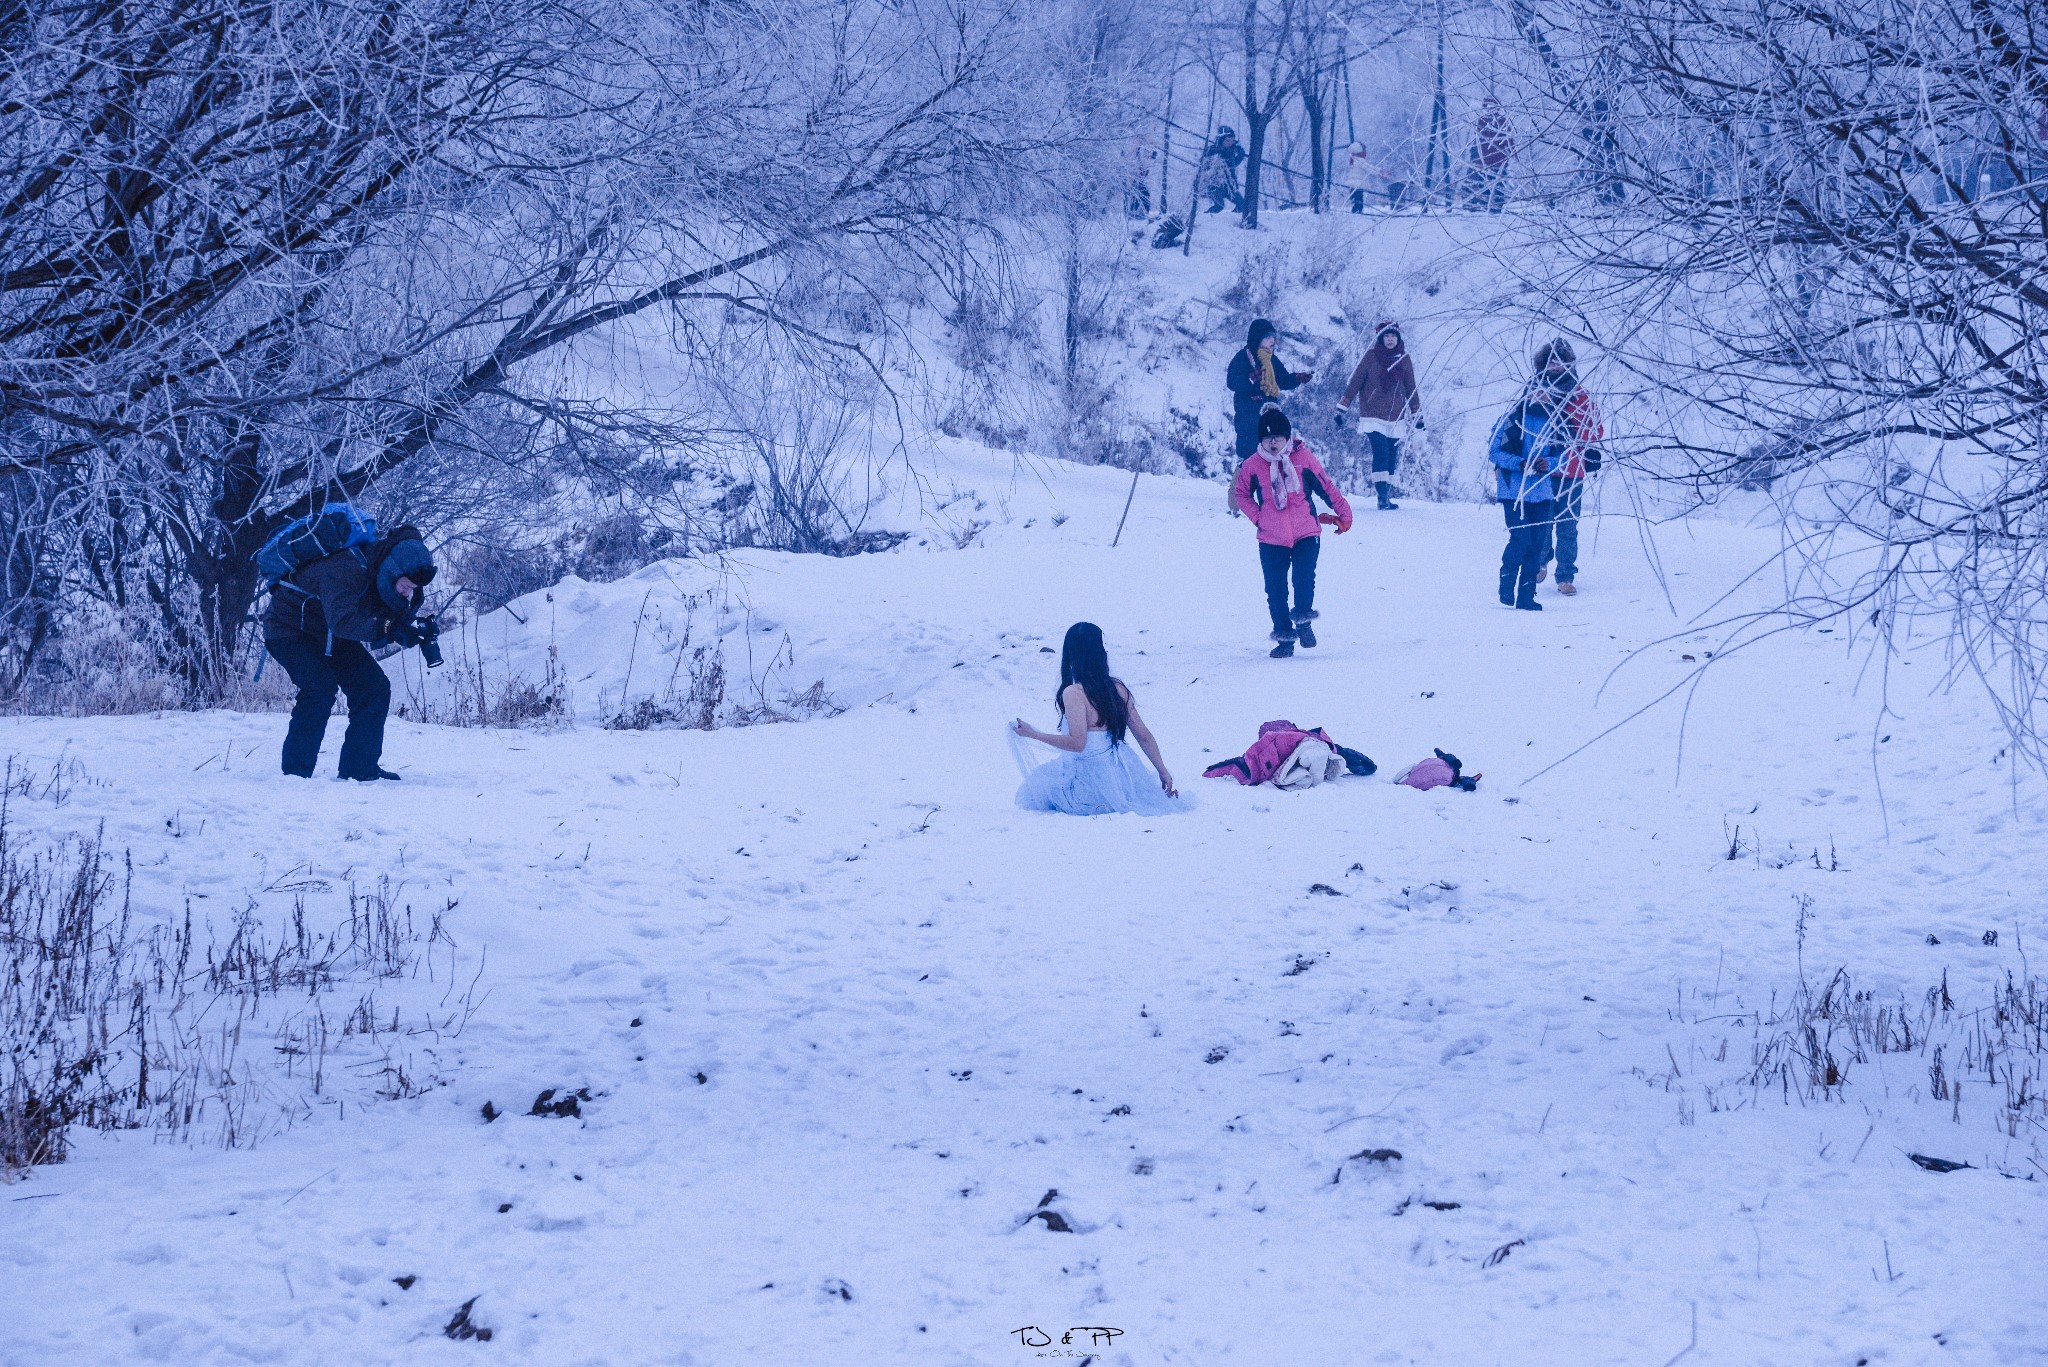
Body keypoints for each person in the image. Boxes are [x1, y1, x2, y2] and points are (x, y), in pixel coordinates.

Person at [263, 525, 438, 780]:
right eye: (405, 586)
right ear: (393, 571)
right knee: (319, 688)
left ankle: (359, 770)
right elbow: (344, 621)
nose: (407, 593)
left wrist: (408, 630)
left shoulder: (381, 575)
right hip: (288, 628)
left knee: (374, 688)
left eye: (411, 589)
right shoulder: (346, 567)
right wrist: (388, 628)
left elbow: (379, 621)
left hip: (328, 635)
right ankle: (295, 775)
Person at [1011, 623, 1188, 816]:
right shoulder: (1117, 688)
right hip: (1119, 782)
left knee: (1036, 787)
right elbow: (1143, 735)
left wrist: (1033, 734)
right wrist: (1162, 770)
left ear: (1071, 654)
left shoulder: (1074, 693)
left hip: (1088, 788)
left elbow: (1078, 743)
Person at [1232, 407, 1353, 657]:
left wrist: (1344, 513)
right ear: (1260, 440)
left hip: (1306, 532)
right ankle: (1285, 638)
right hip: (1271, 538)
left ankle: (1303, 619)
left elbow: (1326, 487)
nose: (1273, 441)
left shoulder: (1304, 458)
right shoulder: (1252, 466)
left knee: (1304, 577)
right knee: (1275, 589)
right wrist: (1258, 517)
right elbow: (1241, 494)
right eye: (1267, 437)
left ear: (1287, 437)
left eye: (1278, 436)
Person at [1487, 354, 1578, 611]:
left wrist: (1548, 464)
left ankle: (1527, 596)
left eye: (1547, 393)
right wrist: (1520, 463)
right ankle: (1506, 585)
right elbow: (1494, 452)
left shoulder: (1557, 422)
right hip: (1513, 490)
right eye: (1538, 391)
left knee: (1537, 544)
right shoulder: (1512, 419)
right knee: (1520, 539)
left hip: (1542, 492)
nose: (1542, 396)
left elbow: (1564, 455)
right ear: (1529, 392)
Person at [1528, 340, 1604, 595]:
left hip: (1572, 468)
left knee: (1568, 525)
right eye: (1551, 361)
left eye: (1561, 361)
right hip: (1541, 468)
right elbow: (1520, 425)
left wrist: (1577, 430)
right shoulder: (1533, 389)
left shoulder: (1581, 394)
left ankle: (1565, 575)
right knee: (1542, 521)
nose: (1556, 366)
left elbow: (1595, 429)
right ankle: (1540, 561)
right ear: (1543, 363)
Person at [1336, 320, 1423, 510]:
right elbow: (1355, 382)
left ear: (1398, 338)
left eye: (1393, 335)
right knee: (1381, 451)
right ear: (1380, 338)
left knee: (1392, 454)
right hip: (1372, 415)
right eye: (1386, 336)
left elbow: (1411, 388)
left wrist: (1417, 415)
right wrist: (1342, 407)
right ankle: (1382, 497)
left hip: (1395, 417)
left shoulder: (1404, 359)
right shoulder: (1370, 357)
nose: (1390, 339)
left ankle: (1386, 496)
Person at [1226, 318, 1312, 463]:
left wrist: (1297, 378)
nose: (1272, 341)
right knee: (1250, 457)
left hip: (1269, 416)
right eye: (1267, 337)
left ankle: (1267, 484)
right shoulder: (1243, 358)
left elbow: (1282, 379)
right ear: (1257, 339)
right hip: (1248, 416)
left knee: (1270, 455)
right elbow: (1231, 381)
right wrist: (1250, 380)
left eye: (1273, 337)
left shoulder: (1271, 360)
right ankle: (1240, 484)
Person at [1477, 97, 1514, 213]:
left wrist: (1510, 153)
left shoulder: (1503, 121)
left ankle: (1496, 205)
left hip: (1499, 158)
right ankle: (1486, 204)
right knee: (1487, 181)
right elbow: (1478, 141)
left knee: (1498, 181)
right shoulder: (1482, 121)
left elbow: (1509, 139)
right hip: (1486, 158)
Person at [1198, 127, 1246, 214]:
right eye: (1227, 141)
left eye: (1232, 141)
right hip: (1214, 185)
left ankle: (1231, 221)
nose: (1230, 143)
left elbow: (1232, 164)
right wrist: (1238, 153)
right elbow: (1230, 164)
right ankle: (1206, 219)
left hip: (1228, 186)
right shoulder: (1213, 150)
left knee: (1242, 205)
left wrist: (1240, 153)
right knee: (1219, 206)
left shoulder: (1230, 151)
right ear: (1221, 140)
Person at [1344, 142, 1376, 214]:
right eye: (1364, 151)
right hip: (1358, 184)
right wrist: (1380, 172)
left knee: (1356, 200)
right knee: (1359, 200)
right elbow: (1369, 168)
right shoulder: (1360, 161)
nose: (1365, 153)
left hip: (1352, 184)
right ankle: (1357, 213)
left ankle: (1355, 212)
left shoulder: (1353, 160)